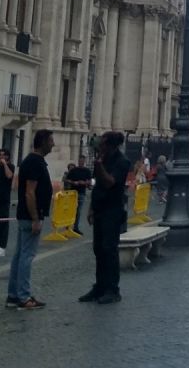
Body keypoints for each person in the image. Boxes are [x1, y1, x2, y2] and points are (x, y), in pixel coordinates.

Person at [81, 130, 131, 305]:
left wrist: (99, 165)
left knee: (109, 249)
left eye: (103, 143)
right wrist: (91, 208)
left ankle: (112, 289)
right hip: (100, 208)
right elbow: (97, 186)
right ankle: (100, 286)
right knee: (98, 249)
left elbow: (110, 182)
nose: (100, 146)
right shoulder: (104, 159)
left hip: (113, 210)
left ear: (111, 145)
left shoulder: (122, 162)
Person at [7, 129, 53, 309]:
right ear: (42, 142)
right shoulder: (35, 162)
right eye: (50, 141)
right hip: (30, 216)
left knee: (19, 255)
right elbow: (30, 192)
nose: (53, 144)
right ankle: (24, 297)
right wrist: (36, 218)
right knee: (26, 256)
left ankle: (13, 295)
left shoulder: (32, 161)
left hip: (25, 215)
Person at [64, 160, 92, 235]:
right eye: (80, 161)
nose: (81, 163)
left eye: (82, 162)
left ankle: (75, 227)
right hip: (72, 192)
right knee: (70, 209)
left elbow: (89, 181)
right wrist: (74, 182)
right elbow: (67, 179)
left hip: (81, 192)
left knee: (78, 211)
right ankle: (68, 226)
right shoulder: (73, 170)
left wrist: (84, 183)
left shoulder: (87, 171)